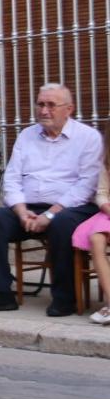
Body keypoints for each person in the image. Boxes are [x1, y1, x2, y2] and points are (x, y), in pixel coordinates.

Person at [0, 83, 101, 317]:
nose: (44, 110)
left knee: (62, 223)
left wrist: (50, 214)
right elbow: (12, 178)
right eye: (40, 104)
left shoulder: (88, 137)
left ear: (69, 109)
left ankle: (65, 298)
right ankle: (0, 294)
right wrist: (20, 211)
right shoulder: (26, 135)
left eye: (51, 105)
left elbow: (86, 186)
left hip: (73, 208)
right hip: (28, 208)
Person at [74, 127, 110, 324]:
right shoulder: (106, 161)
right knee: (96, 238)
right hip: (108, 213)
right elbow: (101, 193)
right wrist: (106, 207)